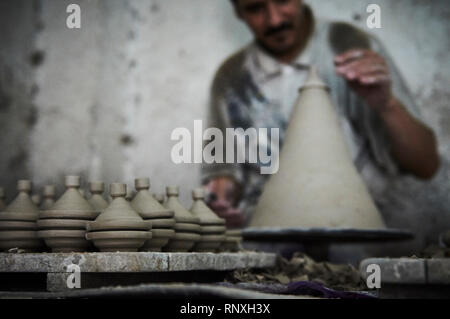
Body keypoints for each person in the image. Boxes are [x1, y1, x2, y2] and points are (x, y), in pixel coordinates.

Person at [201, 0, 440, 228]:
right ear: (238, 13)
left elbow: (426, 165)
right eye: (255, 8)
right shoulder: (232, 78)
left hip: (359, 234)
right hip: (273, 237)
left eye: (283, 1)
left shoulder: (349, 46)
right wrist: (221, 199)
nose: (274, 20)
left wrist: (387, 105)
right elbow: (223, 177)